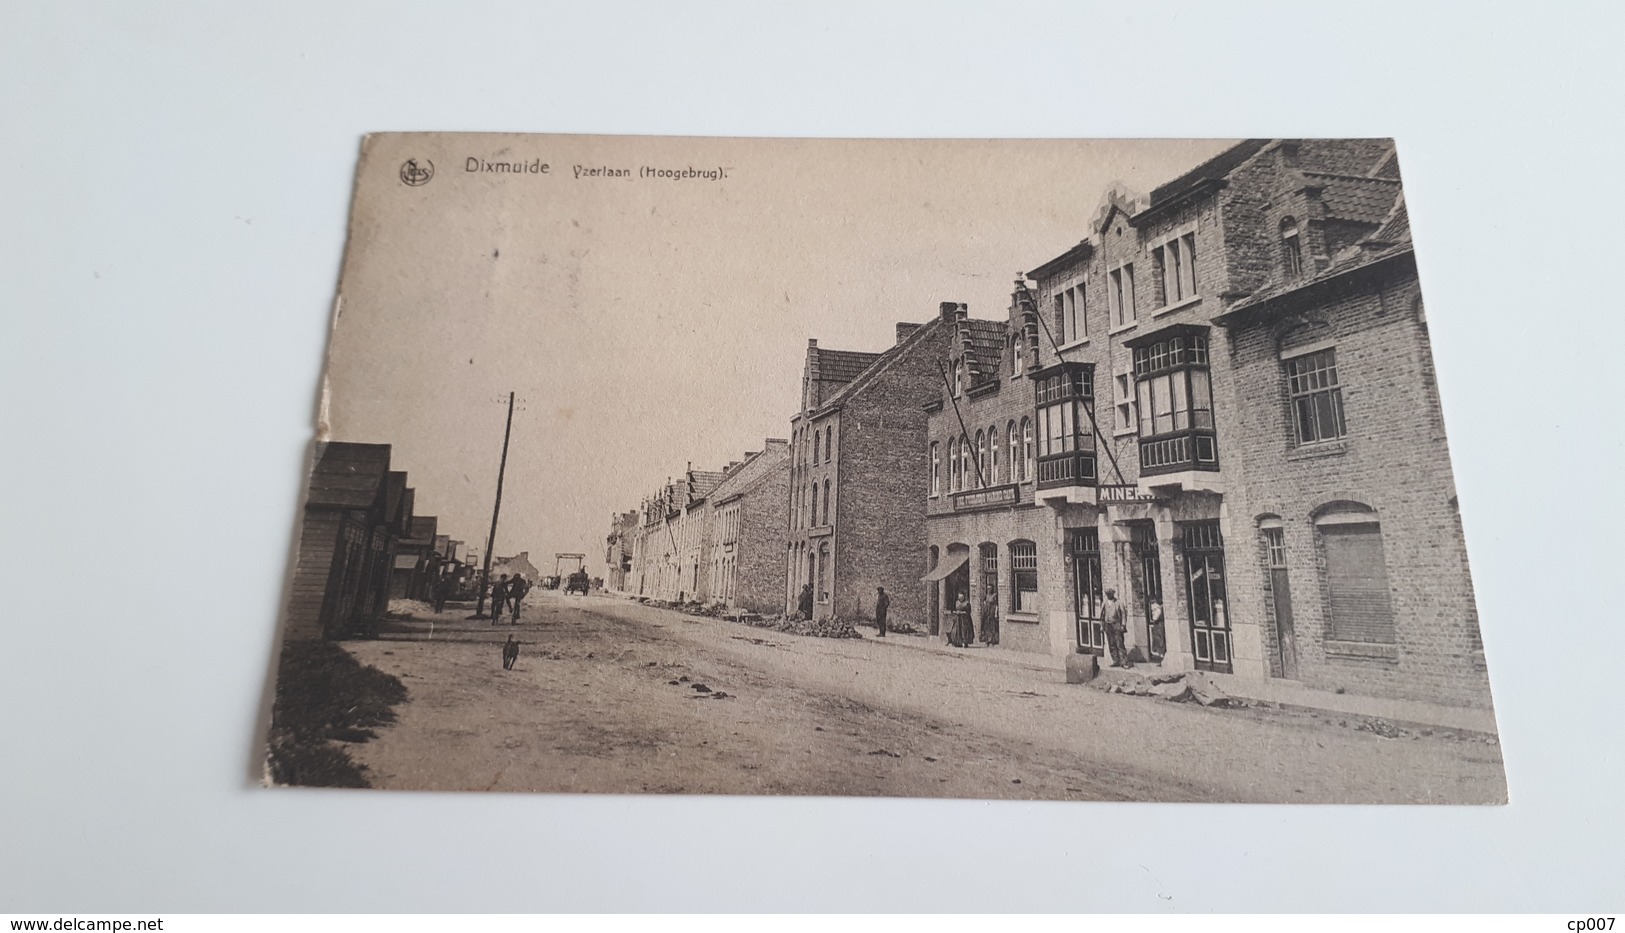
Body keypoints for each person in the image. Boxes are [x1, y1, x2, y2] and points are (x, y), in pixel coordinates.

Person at [1102, 587, 1131, 668]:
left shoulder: (1118, 602)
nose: (1108, 595)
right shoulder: (1105, 603)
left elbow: (1123, 614)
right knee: (1111, 643)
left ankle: (1124, 662)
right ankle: (1115, 660)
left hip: (1116, 625)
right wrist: (1102, 625)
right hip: (1108, 625)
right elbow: (1102, 615)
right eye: (1107, 594)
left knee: (1120, 644)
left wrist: (1123, 625)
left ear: (1113, 594)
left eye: (1109, 594)